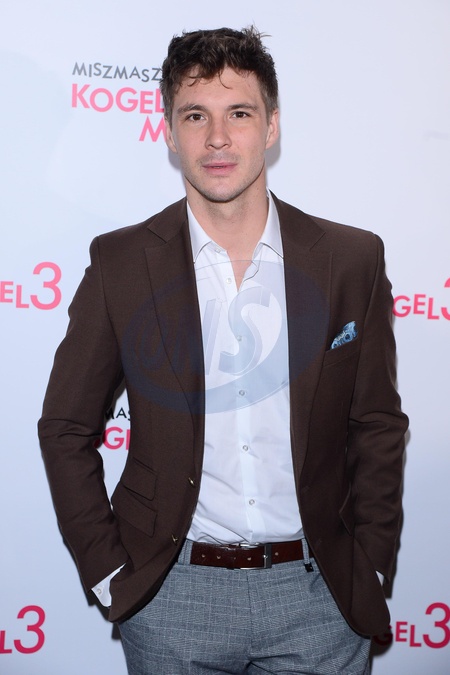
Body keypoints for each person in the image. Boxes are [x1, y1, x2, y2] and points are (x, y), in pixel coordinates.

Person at [38, 27, 408, 674]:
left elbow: (376, 422)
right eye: (195, 116)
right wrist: (108, 570)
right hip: (171, 596)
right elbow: (66, 425)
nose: (216, 137)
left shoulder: (351, 260)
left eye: (238, 113)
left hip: (320, 596)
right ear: (169, 131)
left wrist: (371, 563)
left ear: (271, 126)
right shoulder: (122, 262)